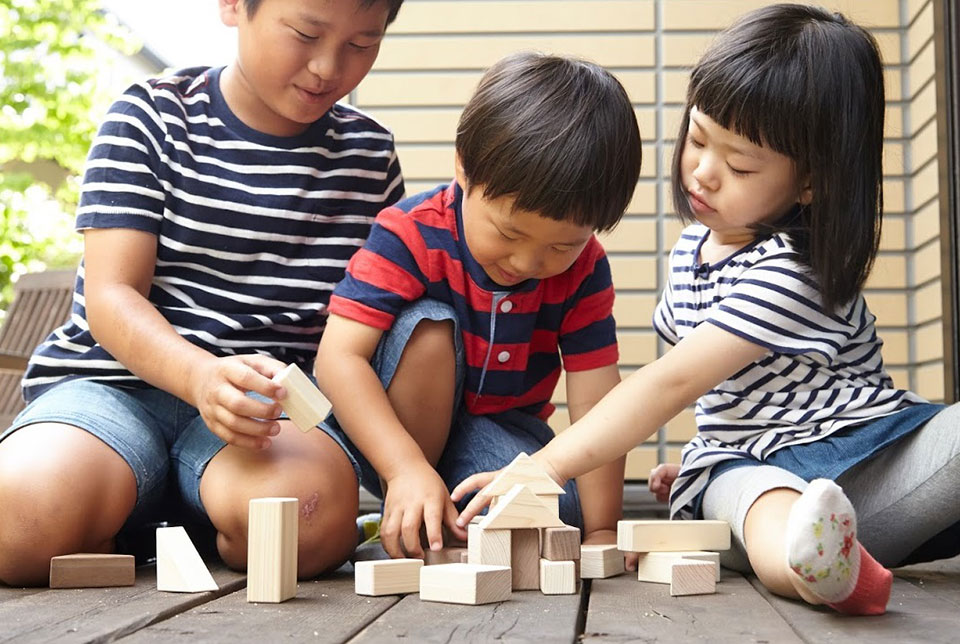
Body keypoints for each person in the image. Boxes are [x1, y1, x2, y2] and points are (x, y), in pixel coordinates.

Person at [453, 4, 960, 616]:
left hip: (869, 454)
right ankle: (828, 569)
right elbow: (724, 397)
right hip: (746, 471)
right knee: (759, 503)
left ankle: (822, 543)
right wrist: (700, 454)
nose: (703, 172)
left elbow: (675, 380)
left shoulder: (794, 268)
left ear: (811, 183)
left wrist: (546, 466)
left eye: (740, 164)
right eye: (697, 137)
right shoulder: (694, 247)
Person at [0, 0, 405, 587]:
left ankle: (187, 515)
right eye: (306, 34)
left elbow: (370, 319)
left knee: (305, 529)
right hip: (114, 389)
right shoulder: (151, 116)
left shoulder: (369, 158)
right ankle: (138, 510)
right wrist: (200, 377)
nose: (326, 68)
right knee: (21, 523)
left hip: (266, 414)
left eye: (361, 45)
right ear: (235, 6)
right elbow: (111, 298)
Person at [313, 51, 643, 559]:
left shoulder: (585, 268)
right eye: (510, 232)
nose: (529, 260)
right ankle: (410, 503)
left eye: (561, 245)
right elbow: (338, 358)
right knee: (428, 328)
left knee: (554, 520)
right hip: (395, 431)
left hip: (500, 433)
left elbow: (597, 401)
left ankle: (428, 522)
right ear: (464, 169)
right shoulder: (411, 233)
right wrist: (404, 467)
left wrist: (603, 531)